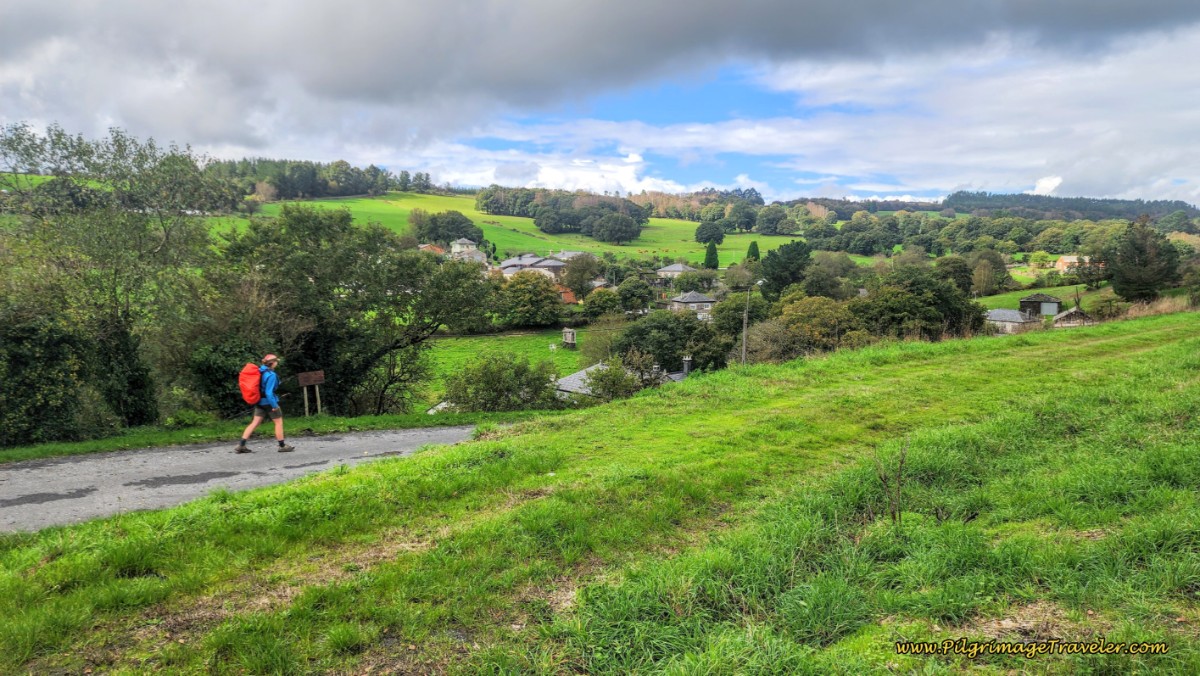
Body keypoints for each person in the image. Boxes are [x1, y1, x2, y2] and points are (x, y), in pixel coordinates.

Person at [235, 354, 295, 453]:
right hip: (269, 402)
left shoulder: (259, 372)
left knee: (254, 423)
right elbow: (268, 392)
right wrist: (274, 405)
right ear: (272, 363)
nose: (277, 363)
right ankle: (282, 446)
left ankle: (241, 445)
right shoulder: (271, 375)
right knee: (278, 423)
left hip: (259, 401)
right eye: (276, 362)